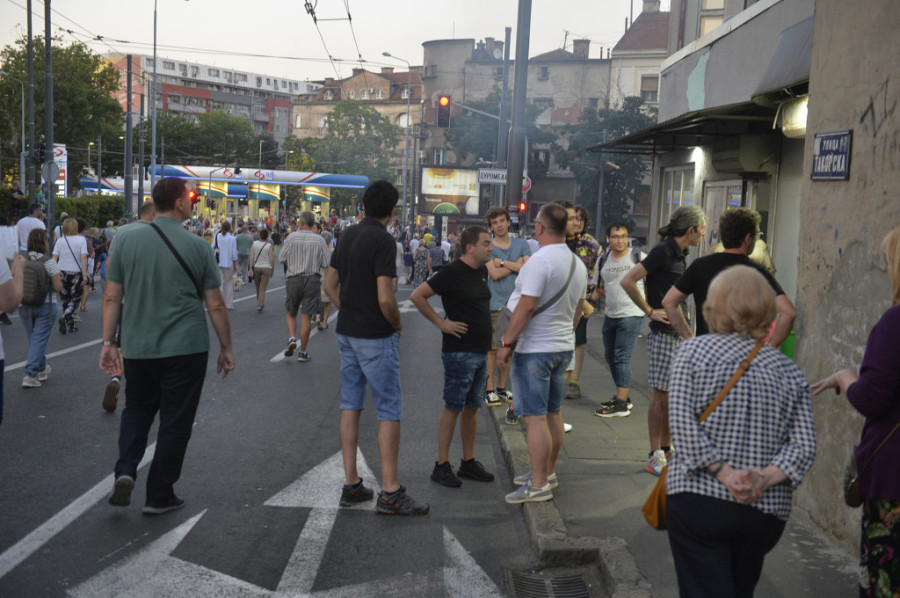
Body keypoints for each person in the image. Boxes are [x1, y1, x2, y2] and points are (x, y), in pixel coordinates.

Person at [666, 265, 815, 597]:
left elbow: (681, 424)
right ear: (768, 311)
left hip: (698, 498)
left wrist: (725, 474)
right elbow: (804, 446)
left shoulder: (692, 352)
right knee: (740, 587)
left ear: (713, 306)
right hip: (764, 510)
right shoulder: (788, 371)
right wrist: (763, 478)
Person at [101, 177, 235, 515]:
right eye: (189, 199)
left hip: (138, 346)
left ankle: (126, 469)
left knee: (137, 410)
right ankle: (159, 494)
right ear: (178, 203)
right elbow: (216, 305)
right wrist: (226, 347)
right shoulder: (199, 246)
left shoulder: (125, 238)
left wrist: (108, 343)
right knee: (176, 421)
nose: (192, 204)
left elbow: (112, 297)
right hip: (186, 348)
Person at [323, 180, 429, 516]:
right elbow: (385, 298)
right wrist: (395, 323)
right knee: (388, 409)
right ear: (392, 211)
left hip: (347, 331)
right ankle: (390, 491)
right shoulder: (384, 240)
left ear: (364, 206)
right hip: (375, 335)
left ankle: (352, 484)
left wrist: (349, 309)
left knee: (350, 403)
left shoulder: (347, 235)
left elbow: (329, 284)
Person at [811, 227, 900, 598]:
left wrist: (845, 377)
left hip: (894, 480)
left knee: (886, 582)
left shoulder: (894, 324)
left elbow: (872, 399)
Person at [499, 203, 587, 504]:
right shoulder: (577, 263)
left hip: (535, 349)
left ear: (540, 227)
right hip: (562, 346)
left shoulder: (540, 261)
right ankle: (546, 473)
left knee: (535, 418)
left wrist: (506, 343)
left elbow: (526, 307)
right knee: (553, 414)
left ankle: (538, 485)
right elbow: (579, 309)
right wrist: (565, 334)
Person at [620, 205, 705, 476]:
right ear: (690, 230)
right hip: (664, 333)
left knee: (671, 396)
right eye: (702, 228)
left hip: (676, 333)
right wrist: (649, 311)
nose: (704, 233)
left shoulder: (678, 252)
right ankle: (655, 454)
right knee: (661, 395)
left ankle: (666, 450)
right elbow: (628, 280)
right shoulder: (663, 251)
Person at [410, 226, 496, 488]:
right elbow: (418, 296)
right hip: (460, 352)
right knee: (454, 406)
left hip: (480, 350)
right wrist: (442, 323)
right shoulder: (451, 272)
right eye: (486, 243)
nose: (491, 248)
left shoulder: (481, 271)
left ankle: (468, 462)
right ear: (470, 247)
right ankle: (441, 465)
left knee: (472, 408)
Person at [662, 207, 795, 348]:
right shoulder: (757, 271)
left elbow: (669, 302)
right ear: (748, 239)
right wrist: (770, 347)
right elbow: (788, 313)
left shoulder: (700, 265)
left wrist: (689, 338)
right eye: (756, 235)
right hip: (743, 354)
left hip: (707, 352)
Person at [102, 201, 155, 413]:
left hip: (125, 300)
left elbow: (109, 264)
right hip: (150, 301)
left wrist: (113, 291)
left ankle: (116, 377)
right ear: (154, 214)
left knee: (123, 343)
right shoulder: (159, 234)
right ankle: (143, 388)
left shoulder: (122, 233)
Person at [593, 221, 647, 417]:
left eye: (623, 236)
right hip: (611, 314)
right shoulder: (603, 260)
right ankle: (622, 396)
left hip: (632, 314)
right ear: (608, 238)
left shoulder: (639, 258)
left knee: (622, 357)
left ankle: (621, 404)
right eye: (615, 237)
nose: (620, 241)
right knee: (610, 357)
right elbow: (599, 288)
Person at [484, 206, 532, 414]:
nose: (499, 225)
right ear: (491, 226)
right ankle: (489, 389)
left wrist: (502, 262)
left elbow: (528, 269)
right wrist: (516, 265)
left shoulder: (522, 243)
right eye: (494, 223)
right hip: (495, 303)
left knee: (509, 347)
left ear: (508, 222)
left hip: (517, 305)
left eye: (502, 221)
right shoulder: (487, 246)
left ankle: (502, 388)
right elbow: (493, 275)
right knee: (493, 349)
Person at [562, 203, 602, 400]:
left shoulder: (591, 243)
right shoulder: (560, 240)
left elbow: (602, 271)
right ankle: (559, 378)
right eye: (573, 219)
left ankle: (574, 382)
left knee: (577, 342)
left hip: (581, 301)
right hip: (561, 300)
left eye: (580, 219)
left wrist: (592, 300)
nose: (577, 222)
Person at [278, 210, 330, 362]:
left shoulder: (291, 237)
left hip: (293, 278)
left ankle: (292, 338)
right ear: (313, 224)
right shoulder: (319, 240)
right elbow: (326, 262)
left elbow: (281, 258)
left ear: (301, 223)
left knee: (291, 311)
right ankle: (303, 352)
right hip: (312, 279)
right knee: (306, 316)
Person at [19, 229, 60, 388]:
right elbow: (58, 287)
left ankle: (42, 368)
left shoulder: (21, 259)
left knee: (35, 339)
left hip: (24, 305)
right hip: (46, 305)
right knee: (38, 339)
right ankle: (30, 375)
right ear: (44, 242)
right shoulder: (49, 262)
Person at [52, 217, 88, 334]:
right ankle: (65, 317)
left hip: (61, 272)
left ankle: (70, 325)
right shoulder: (81, 240)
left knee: (65, 299)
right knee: (75, 298)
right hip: (75, 272)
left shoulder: (60, 241)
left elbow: (54, 258)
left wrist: (53, 273)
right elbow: (83, 257)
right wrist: (84, 274)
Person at [214, 221, 238, 310]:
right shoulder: (232, 238)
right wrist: (235, 264)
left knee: (219, 283)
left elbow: (212, 247)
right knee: (229, 283)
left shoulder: (217, 236)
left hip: (218, 262)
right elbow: (234, 253)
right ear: (229, 228)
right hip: (228, 262)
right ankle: (229, 304)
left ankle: (219, 303)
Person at [250, 228, 275, 312]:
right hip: (266, 267)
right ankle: (260, 304)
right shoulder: (269, 246)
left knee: (258, 287)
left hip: (256, 267)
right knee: (263, 288)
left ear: (260, 235)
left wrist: (250, 268)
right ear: (267, 236)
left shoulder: (254, 244)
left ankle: (259, 302)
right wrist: (272, 269)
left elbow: (252, 257)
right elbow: (271, 258)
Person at [316, 229, 334, 329]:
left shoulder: (317, 252)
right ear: (330, 241)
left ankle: (318, 318)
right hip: (329, 278)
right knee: (328, 302)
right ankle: (325, 322)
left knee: (318, 299)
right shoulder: (333, 251)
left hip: (318, 276)